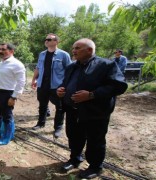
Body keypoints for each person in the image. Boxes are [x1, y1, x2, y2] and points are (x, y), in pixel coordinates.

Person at [57, 38, 127, 179]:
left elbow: (118, 86)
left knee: (95, 140)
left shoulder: (106, 65)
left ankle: (95, 167)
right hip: (73, 110)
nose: (73, 51)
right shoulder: (72, 67)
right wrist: (60, 91)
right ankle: (75, 159)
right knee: (74, 136)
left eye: (77, 48)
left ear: (89, 50)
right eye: (73, 48)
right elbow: (65, 83)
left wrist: (91, 95)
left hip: (95, 113)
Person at [31, 33, 72, 138]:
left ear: (56, 42)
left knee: (60, 107)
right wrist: (34, 79)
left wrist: (66, 85)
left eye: (49, 39)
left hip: (57, 86)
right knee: (43, 105)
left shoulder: (64, 55)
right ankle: (41, 123)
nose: (46, 41)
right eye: (46, 39)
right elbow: (38, 68)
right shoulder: (42, 54)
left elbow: (70, 71)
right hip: (42, 85)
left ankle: (58, 128)